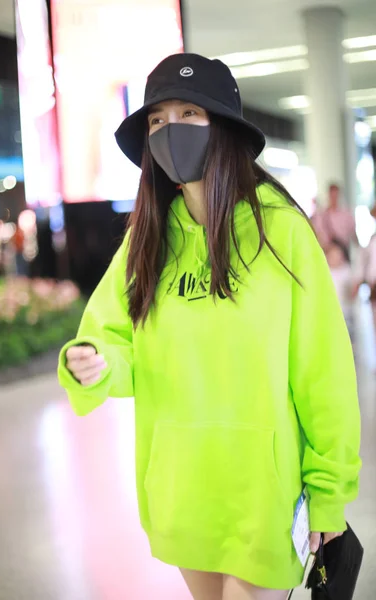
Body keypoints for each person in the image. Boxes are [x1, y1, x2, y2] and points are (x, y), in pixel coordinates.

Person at [58, 54, 361, 600]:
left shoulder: (281, 233)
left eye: (188, 113)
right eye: (157, 120)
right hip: (181, 489)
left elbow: (324, 373)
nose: (170, 129)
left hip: (263, 495)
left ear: (222, 126)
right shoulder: (148, 237)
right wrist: (93, 362)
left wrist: (330, 492)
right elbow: (114, 338)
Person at [311, 183, 357, 254]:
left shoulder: (346, 214)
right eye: (332, 195)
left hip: (343, 252)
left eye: (336, 195)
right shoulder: (321, 215)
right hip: (327, 253)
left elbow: (353, 233)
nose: (334, 198)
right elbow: (318, 235)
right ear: (328, 195)